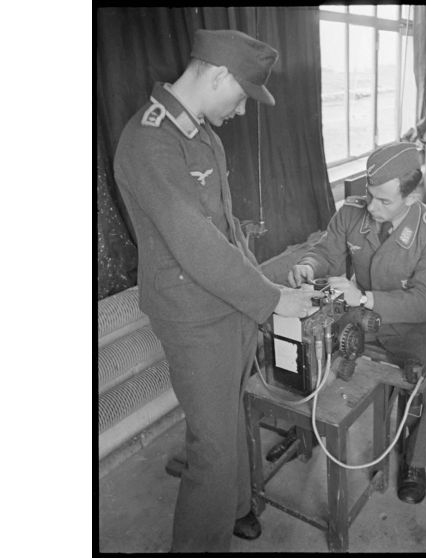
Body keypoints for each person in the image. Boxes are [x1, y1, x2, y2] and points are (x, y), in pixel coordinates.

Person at [113, 29, 317, 553]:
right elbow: (195, 243)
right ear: (219, 74)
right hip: (192, 315)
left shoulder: (201, 133)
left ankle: (239, 506)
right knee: (210, 447)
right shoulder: (152, 140)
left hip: (226, 305)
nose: (244, 110)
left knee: (231, 412)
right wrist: (272, 301)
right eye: (244, 95)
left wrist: (263, 288)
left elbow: (226, 229)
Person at [287, 141, 426, 505]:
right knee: (309, 349)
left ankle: (416, 459)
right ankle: (307, 422)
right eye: (370, 195)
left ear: (411, 197)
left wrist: (365, 298)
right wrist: (308, 266)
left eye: (384, 201)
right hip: (359, 320)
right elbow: (326, 250)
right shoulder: (352, 212)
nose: (372, 208)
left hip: (411, 326)